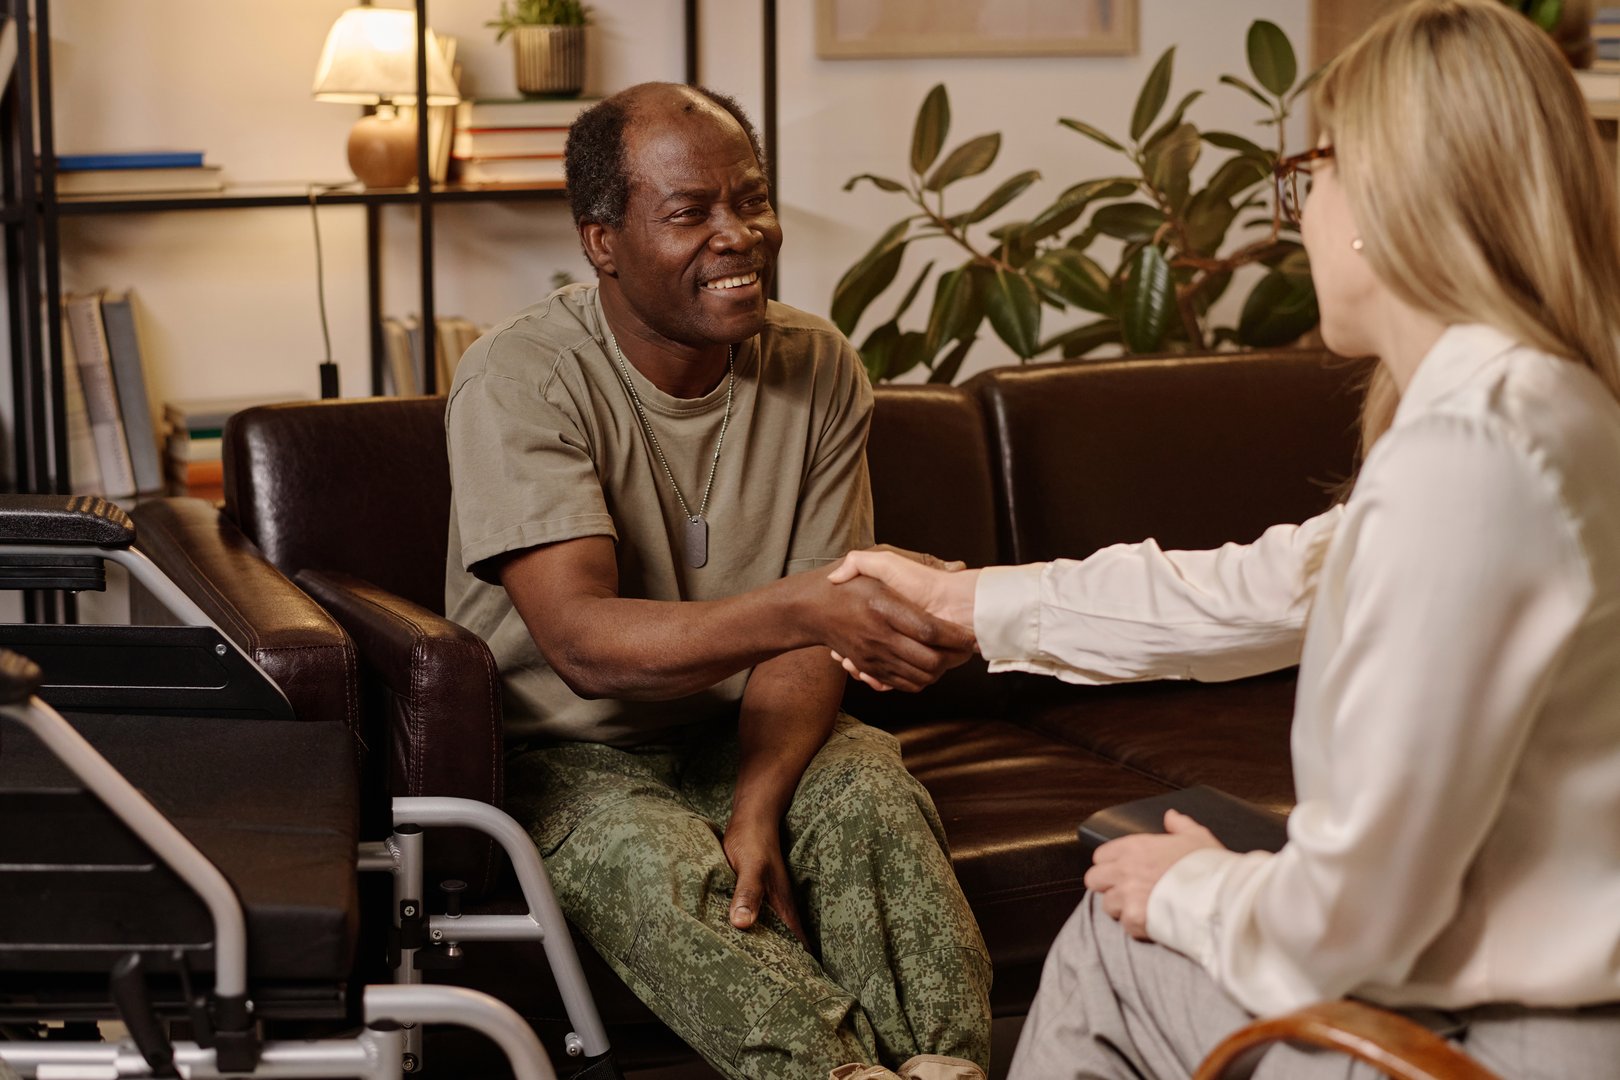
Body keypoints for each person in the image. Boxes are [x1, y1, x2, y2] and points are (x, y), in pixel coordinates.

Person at [827, 1, 1620, 1075]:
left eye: (1311, 177)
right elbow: (1267, 586)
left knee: (1116, 938)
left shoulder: (1472, 458)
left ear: (1381, 196)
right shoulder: (1548, 408)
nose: (1297, 215)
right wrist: (970, 602)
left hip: (1497, 1045)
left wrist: (1195, 889)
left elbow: (1357, 921)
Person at [443, 82, 991, 1080]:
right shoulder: (521, 376)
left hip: (745, 729)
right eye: (691, 213)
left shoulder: (816, 363)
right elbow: (583, 644)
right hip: (568, 756)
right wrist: (801, 604)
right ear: (601, 241)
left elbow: (811, 642)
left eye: (752, 201)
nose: (738, 236)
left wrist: (758, 798)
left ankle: (946, 1070)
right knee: (656, 867)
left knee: (871, 788)